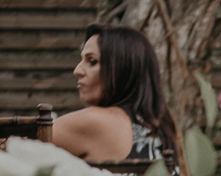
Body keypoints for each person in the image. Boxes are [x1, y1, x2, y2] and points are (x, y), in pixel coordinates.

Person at [53, 23, 177, 164]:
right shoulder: (160, 130)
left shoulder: (98, 122)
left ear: (122, 70)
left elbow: (24, 146)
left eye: (92, 61)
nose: (77, 70)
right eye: (82, 60)